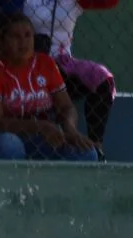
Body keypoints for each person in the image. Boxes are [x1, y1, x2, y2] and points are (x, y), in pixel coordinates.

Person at [0, 12, 97, 160]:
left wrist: (70, 129)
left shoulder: (45, 63)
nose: (23, 42)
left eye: (27, 35)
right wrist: (40, 126)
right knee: (9, 144)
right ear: (1, 41)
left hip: (42, 138)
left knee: (86, 152)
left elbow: (66, 107)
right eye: (15, 36)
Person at [20, 0, 117, 158]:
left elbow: (109, 2)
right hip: (24, 61)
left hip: (62, 63)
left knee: (101, 78)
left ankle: (95, 147)